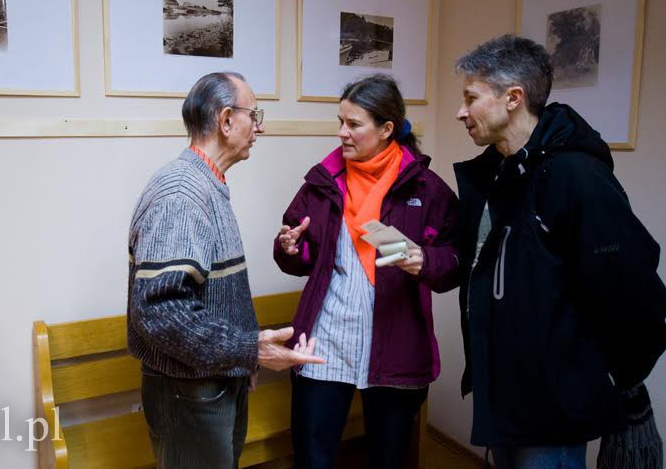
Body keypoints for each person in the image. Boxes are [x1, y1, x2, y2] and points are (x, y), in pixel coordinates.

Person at [453, 34, 666, 469]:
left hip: (553, 410)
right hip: (505, 398)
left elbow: (636, 294)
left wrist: (607, 377)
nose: (461, 112)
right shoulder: (498, 174)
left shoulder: (576, 177)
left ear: (513, 98)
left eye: (470, 98)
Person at [127, 72, 324, 469]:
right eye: (255, 114)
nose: (260, 126)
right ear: (227, 120)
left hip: (214, 382)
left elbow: (213, 294)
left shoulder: (206, 184)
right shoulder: (182, 194)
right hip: (190, 393)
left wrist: (240, 361)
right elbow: (161, 310)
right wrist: (248, 349)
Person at [274, 74, 460, 469]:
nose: (342, 133)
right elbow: (301, 256)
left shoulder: (427, 189)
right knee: (313, 458)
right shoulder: (323, 182)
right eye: (340, 122)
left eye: (354, 124)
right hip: (325, 344)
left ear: (387, 128)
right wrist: (288, 246)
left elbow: (454, 264)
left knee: (388, 460)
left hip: (395, 348)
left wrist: (425, 261)